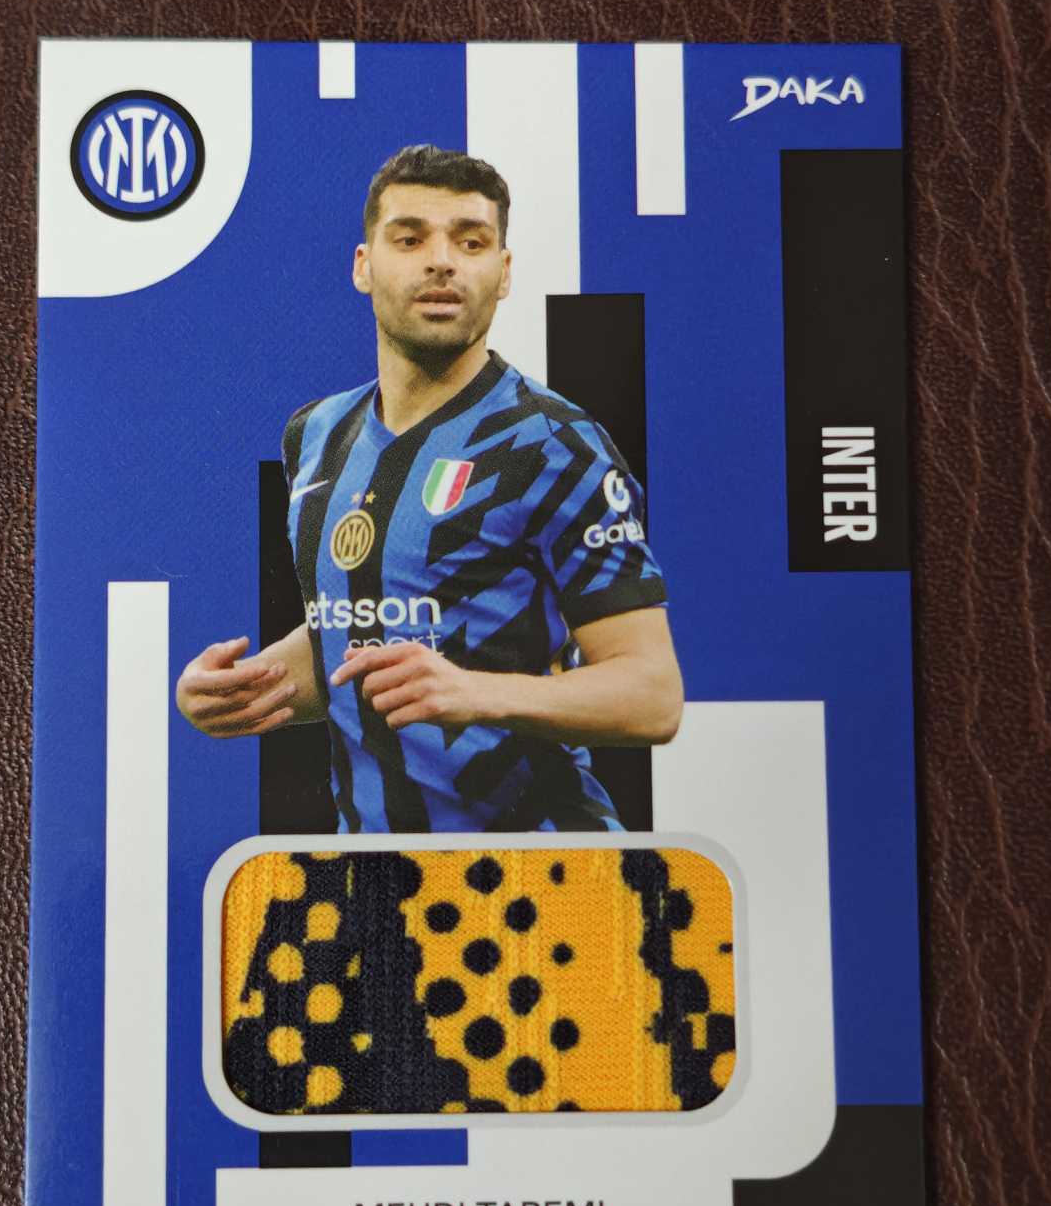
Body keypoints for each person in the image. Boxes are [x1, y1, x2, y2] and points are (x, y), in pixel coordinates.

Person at [177, 144, 682, 832]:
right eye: (410, 238)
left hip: (541, 868)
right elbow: (361, 631)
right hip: (378, 873)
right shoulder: (316, 433)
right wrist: (245, 688)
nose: (442, 261)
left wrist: (474, 693)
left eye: (470, 242)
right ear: (364, 265)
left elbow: (652, 694)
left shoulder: (555, 445)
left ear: (503, 273)